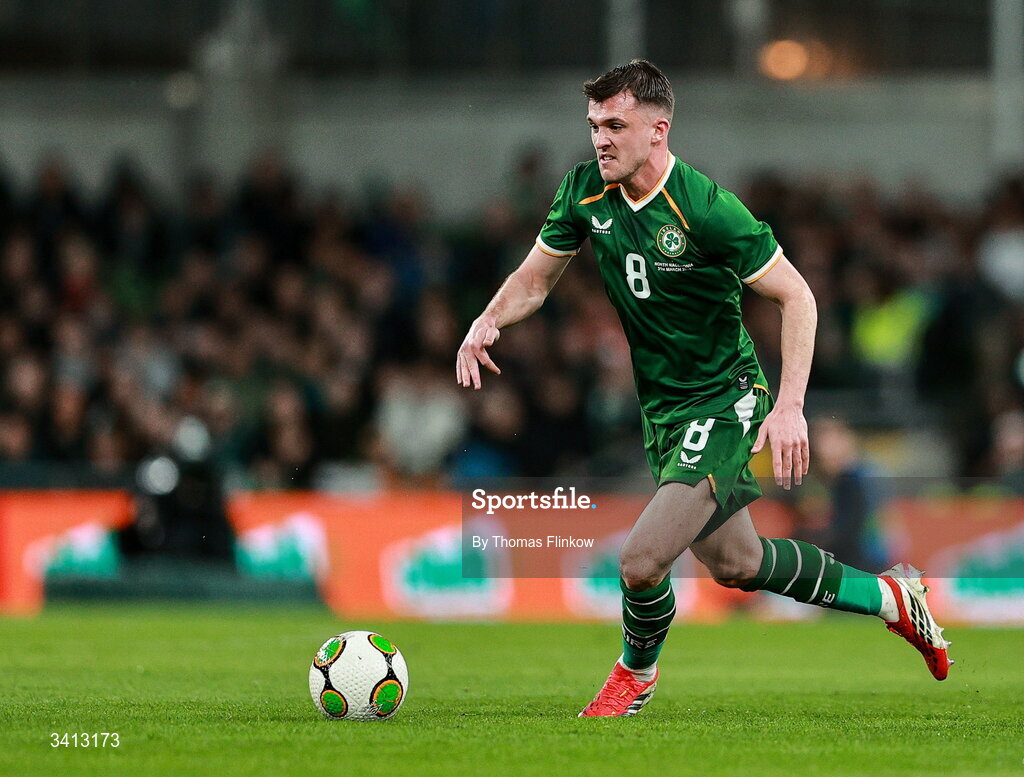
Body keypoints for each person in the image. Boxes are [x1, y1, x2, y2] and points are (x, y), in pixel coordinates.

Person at [456, 60, 952, 718]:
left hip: (725, 399)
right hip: (663, 407)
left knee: (640, 560)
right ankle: (894, 600)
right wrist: (487, 320)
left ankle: (635, 675)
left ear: (657, 129)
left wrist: (790, 406)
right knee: (738, 562)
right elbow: (534, 280)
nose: (600, 139)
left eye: (615, 125)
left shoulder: (705, 208)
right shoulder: (583, 191)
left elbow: (796, 295)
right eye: (593, 126)